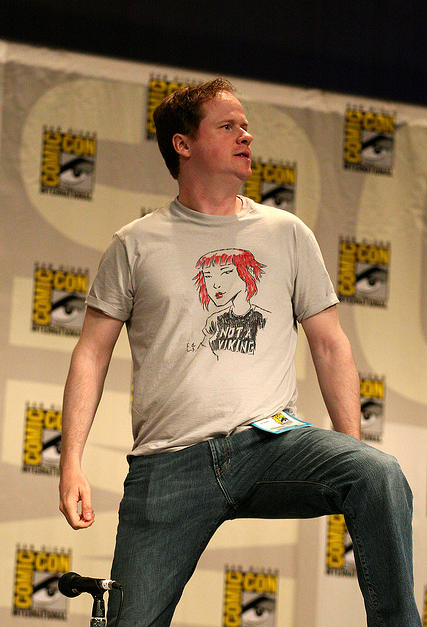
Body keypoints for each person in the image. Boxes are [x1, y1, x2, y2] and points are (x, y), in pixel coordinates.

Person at [59, 78, 421, 627]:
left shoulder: (286, 233)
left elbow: (329, 343)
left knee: (377, 472)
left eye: (246, 127)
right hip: (170, 463)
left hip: (270, 444)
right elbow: (91, 354)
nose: (246, 136)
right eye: (228, 126)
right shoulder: (135, 243)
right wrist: (71, 462)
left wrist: (348, 449)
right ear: (183, 144)